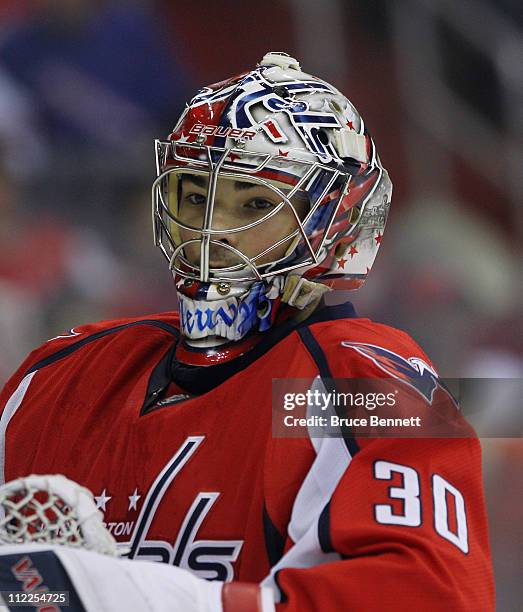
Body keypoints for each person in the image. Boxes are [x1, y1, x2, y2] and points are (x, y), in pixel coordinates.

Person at [0, 52, 494, 611]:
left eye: (256, 203)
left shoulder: (366, 385)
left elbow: (432, 599)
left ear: (330, 222)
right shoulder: (62, 374)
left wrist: (127, 596)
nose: (212, 231)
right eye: (195, 196)